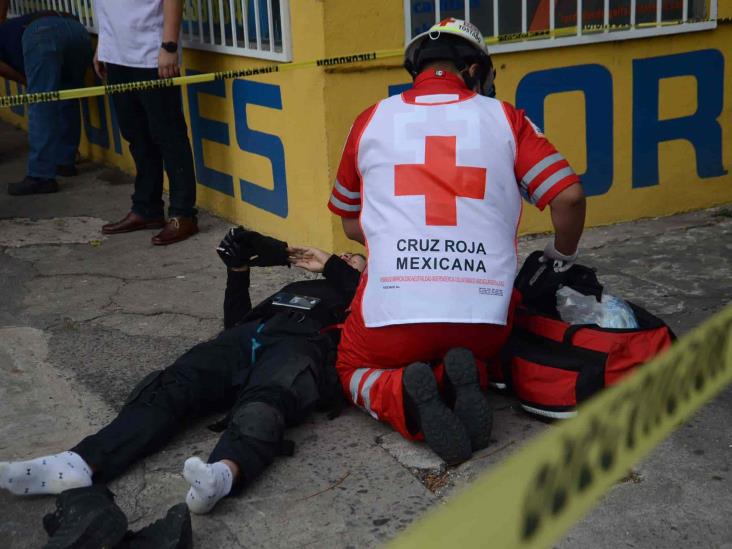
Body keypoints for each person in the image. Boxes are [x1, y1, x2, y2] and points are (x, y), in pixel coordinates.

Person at [0, 228, 365, 546]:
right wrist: (237, 271)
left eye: (356, 259)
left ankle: (222, 474)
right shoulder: (299, 286)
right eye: (346, 255)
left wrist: (337, 266)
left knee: (266, 403)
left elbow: (373, 310)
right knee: (173, 384)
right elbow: (236, 324)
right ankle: (79, 461)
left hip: (302, 346)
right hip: (249, 337)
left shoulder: (366, 294)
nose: (347, 257)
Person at [328, 18, 586, 465]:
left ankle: (406, 394)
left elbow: (351, 223)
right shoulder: (506, 118)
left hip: (392, 324)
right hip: (485, 323)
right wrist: (561, 255)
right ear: (472, 70)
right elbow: (568, 196)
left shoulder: (370, 120)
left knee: (350, 367)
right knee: (469, 344)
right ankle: (461, 371)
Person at [94, 0, 199, 245]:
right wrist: (103, 46)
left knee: (169, 134)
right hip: (117, 54)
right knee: (136, 136)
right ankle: (146, 208)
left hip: (151, 53)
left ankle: (183, 214)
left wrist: (169, 45)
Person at [0, 7, 92, 195]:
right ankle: (65, 161)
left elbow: (6, 70)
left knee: (41, 105)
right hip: (78, 30)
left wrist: (28, 83)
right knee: (68, 95)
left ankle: (40, 176)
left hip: (42, 33)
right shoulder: (9, 29)